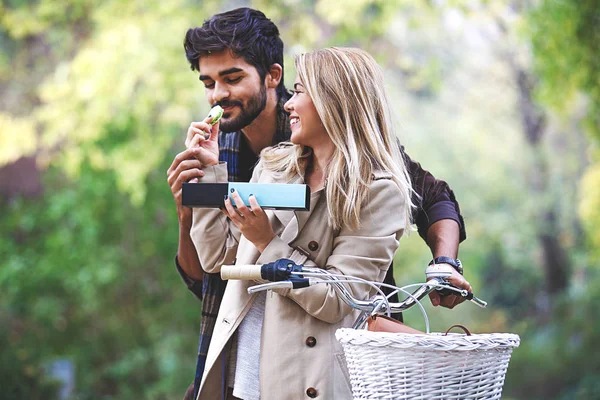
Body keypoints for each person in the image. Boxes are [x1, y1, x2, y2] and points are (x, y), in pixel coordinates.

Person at [165, 7, 469, 400]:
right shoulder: (247, 153)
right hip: (249, 350)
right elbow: (212, 269)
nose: (218, 95)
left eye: (232, 77)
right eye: (208, 82)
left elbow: (433, 198)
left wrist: (445, 262)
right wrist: (197, 195)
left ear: (274, 77)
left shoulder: (363, 164)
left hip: (332, 353)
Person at [190, 46, 422, 399]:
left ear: (335, 100)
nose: (287, 105)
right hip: (241, 376)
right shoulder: (275, 166)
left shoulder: (378, 192)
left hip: (305, 381)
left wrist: (269, 244)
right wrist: (209, 169)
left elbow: (338, 299)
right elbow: (218, 258)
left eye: (299, 92)